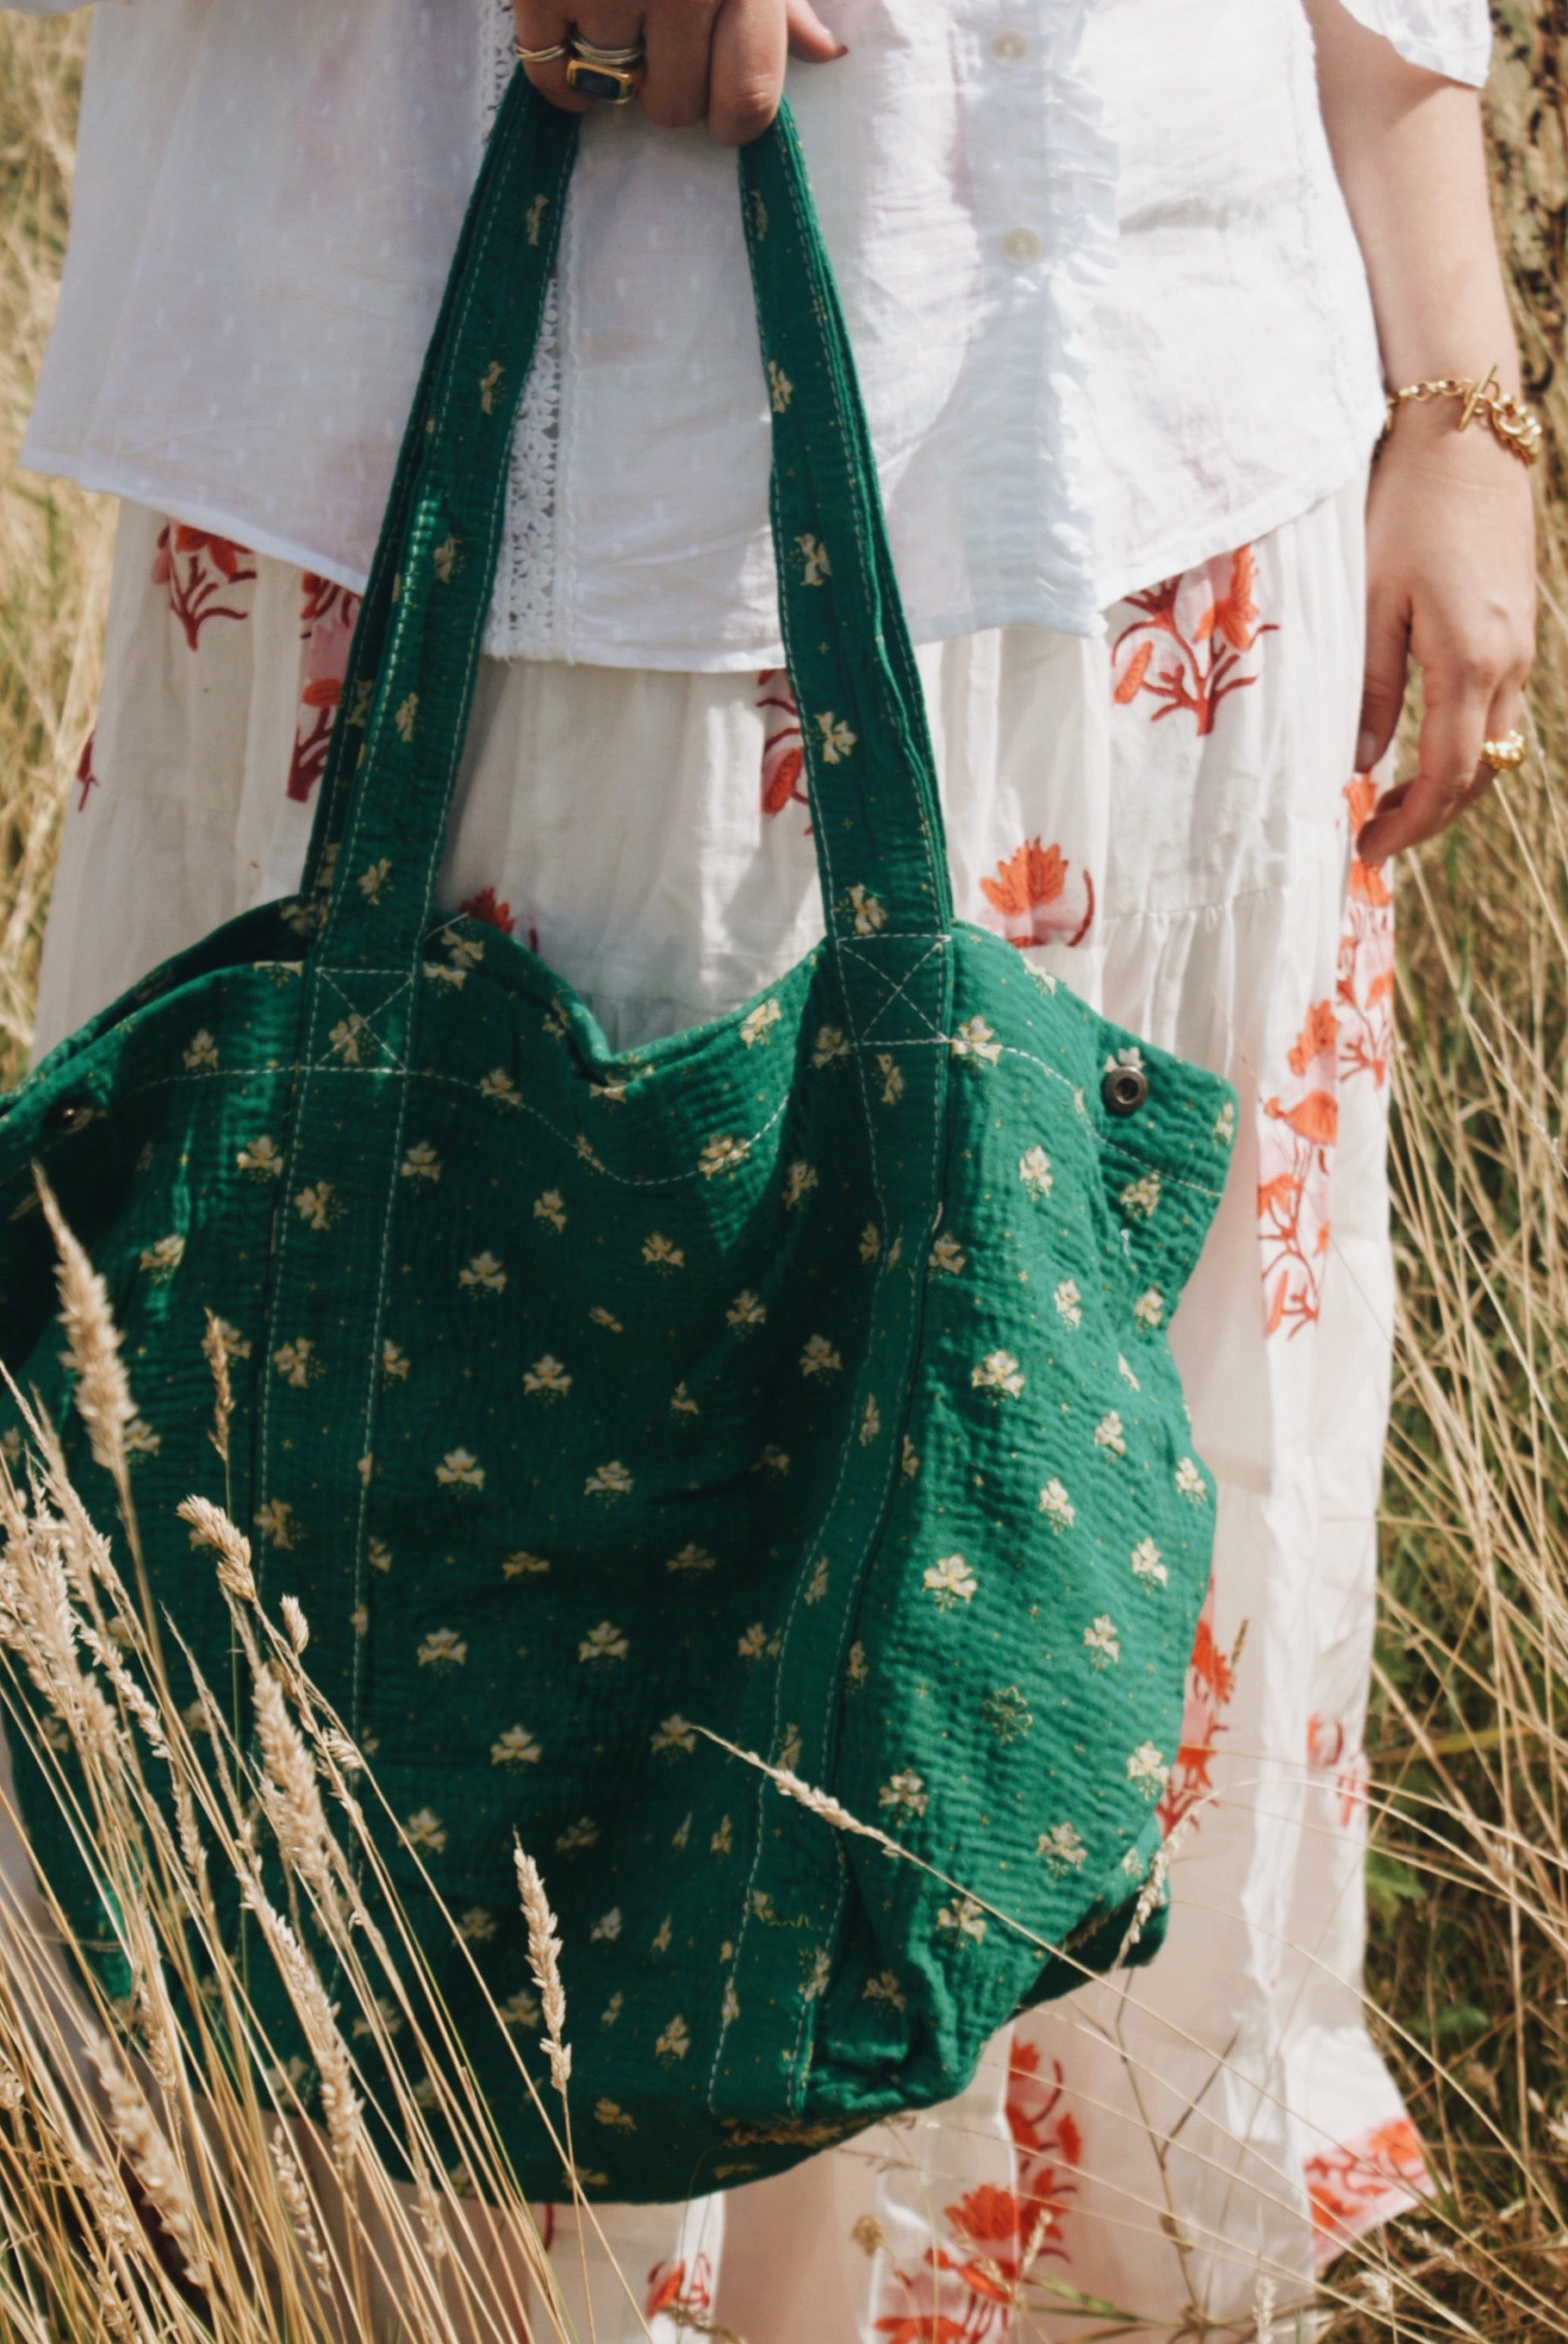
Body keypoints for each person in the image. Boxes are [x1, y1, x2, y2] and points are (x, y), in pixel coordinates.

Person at [8, 0, 1536, 2329]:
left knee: (1012, 1612)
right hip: (561, 496)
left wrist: (1453, 370)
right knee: (464, 1621)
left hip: (1160, 413)